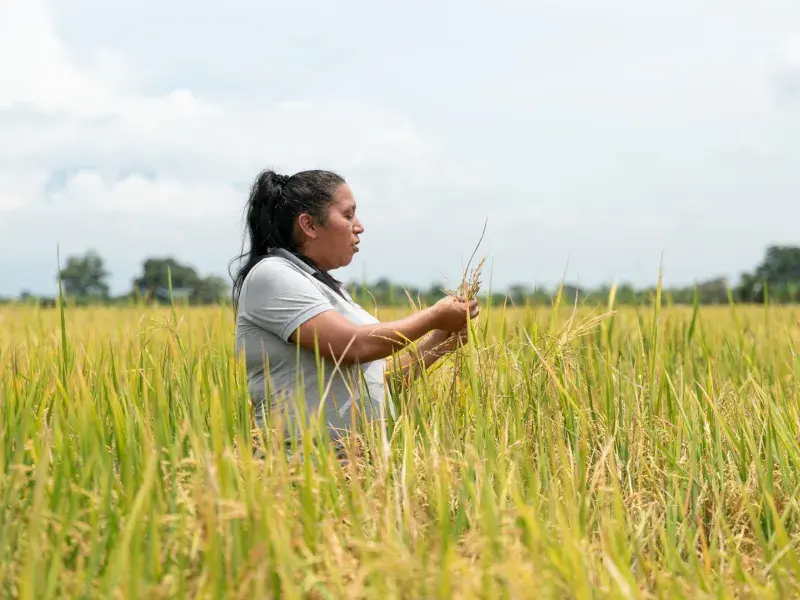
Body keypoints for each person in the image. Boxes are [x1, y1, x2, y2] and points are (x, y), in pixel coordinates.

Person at [231, 168, 479, 454]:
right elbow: (353, 346)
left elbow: (372, 382)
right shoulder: (272, 275)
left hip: (355, 468)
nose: (359, 226)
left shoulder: (325, 288)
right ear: (309, 225)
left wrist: (440, 342)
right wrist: (433, 316)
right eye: (348, 215)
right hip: (300, 472)